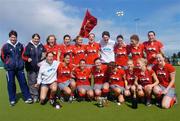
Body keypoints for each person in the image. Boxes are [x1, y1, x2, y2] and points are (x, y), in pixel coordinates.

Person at [1, 30, 32, 106]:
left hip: (20, 68)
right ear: (9, 37)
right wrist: (7, 63)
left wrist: (24, 61)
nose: (13, 39)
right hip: (10, 69)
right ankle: (12, 99)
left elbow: (23, 55)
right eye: (12, 37)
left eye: (14, 37)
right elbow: (2, 56)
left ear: (16, 37)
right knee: (11, 84)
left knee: (23, 83)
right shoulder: (5, 46)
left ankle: (27, 98)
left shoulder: (20, 45)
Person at [22, 33, 46, 102]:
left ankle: (38, 95)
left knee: (39, 82)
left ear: (39, 39)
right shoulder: (28, 46)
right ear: (32, 39)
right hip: (31, 68)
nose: (36, 40)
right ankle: (33, 96)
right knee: (32, 82)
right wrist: (27, 59)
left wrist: (44, 56)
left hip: (40, 68)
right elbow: (23, 56)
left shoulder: (41, 46)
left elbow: (44, 53)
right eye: (35, 39)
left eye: (37, 39)